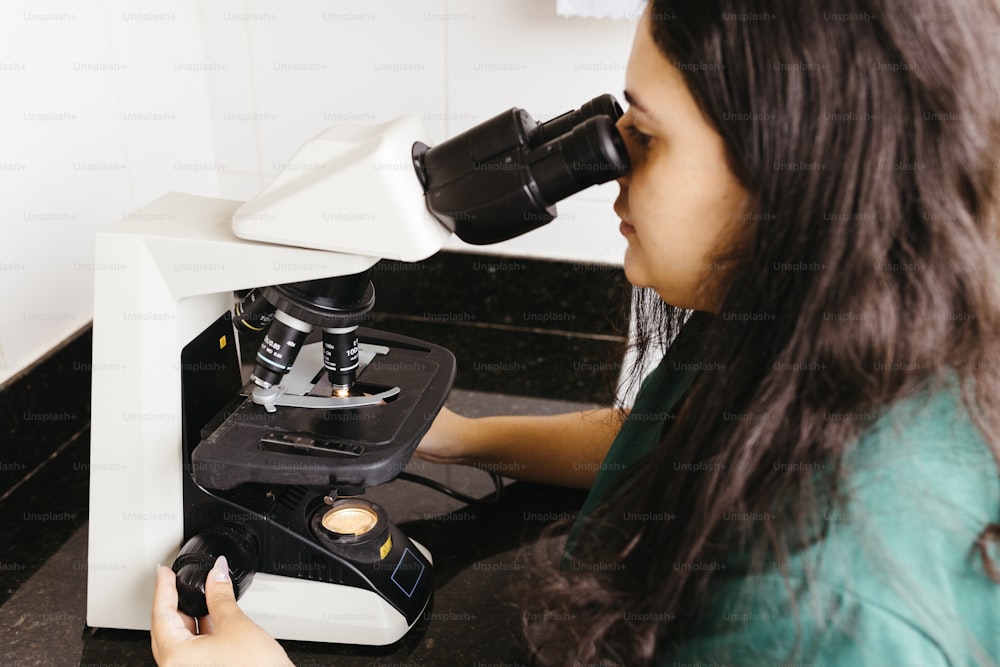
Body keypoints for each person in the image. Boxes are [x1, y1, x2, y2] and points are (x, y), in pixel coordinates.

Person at [151, 0, 1000, 664]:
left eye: (646, 134)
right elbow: (665, 449)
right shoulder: (812, 328)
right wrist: (454, 438)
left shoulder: (817, 613)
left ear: (789, 167)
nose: (610, 165)